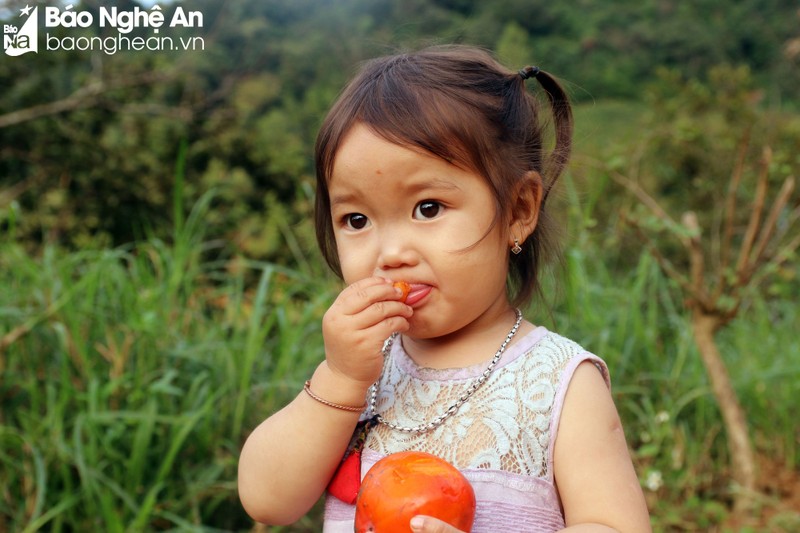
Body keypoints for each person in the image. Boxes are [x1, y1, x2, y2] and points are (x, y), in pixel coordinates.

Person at [238, 45, 651, 533]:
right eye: (356, 219)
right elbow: (266, 500)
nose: (390, 252)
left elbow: (614, 524)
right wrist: (340, 379)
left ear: (519, 210)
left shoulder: (559, 382)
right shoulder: (362, 373)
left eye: (428, 208)